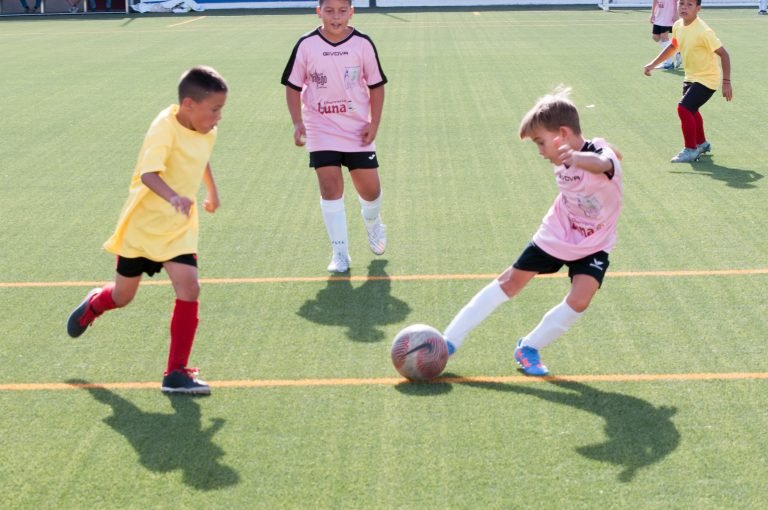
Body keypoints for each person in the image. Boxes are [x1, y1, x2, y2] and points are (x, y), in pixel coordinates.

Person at [66, 66, 228, 395]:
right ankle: (96, 303)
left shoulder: (206, 129)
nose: (218, 117)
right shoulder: (163, 128)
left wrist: (211, 191)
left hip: (177, 229)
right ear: (188, 104)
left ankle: (176, 373)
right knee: (123, 296)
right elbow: (148, 175)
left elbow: (203, 157)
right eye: (214, 109)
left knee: (190, 288)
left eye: (221, 109)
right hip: (143, 225)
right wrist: (174, 197)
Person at [442, 86, 623, 377]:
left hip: (595, 242)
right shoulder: (563, 157)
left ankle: (529, 347)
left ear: (562, 134)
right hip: (557, 233)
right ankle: (448, 340)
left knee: (580, 299)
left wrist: (577, 158)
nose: (539, 151)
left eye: (540, 142)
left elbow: (603, 162)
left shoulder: (598, 156)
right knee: (510, 282)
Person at [281, 0, 388, 273]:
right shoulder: (306, 44)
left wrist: (373, 124)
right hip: (321, 127)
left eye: (342, 11)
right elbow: (293, 87)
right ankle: (340, 252)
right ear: (318, 12)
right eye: (329, 11)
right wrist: (297, 122)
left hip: (356, 128)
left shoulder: (363, 43)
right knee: (330, 187)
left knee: (371, 191)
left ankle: (373, 223)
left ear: (352, 12)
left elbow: (376, 86)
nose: (336, 17)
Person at [644, 0, 732, 163]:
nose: (684, 7)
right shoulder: (677, 25)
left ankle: (691, 149)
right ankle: (702, 143)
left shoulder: (704, 31)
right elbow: (672, 47)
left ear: (698, 8)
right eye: (681, 3)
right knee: (692, 110)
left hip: (707, 79)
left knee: (683, 108)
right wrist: (652, 64)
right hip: (691, 77)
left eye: (689, 4)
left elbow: (724, 54)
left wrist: (726, 81)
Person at [650, 0, 682, 70]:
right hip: (658, 15)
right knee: (655, 37)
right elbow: (655, 1)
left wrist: (676, 14)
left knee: (664, 37)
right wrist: (652, 13)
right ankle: (678, 51)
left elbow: (677, 1)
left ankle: (669, 63)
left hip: (668, 16)